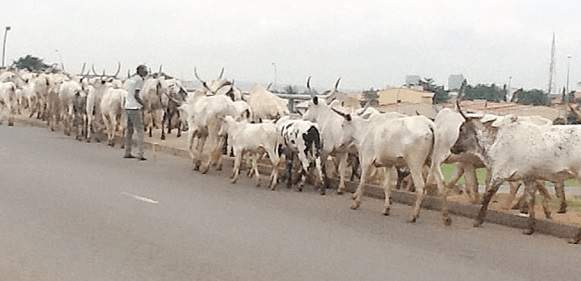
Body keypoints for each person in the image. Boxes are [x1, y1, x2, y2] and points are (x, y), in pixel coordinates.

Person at [123, 65, 148, 160]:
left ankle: (127, 151)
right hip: (135, 107)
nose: (146, 72)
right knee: (140, 130)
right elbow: (136, 95)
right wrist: (144, 104)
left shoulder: (131, 79)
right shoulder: (139, 80)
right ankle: (140, 153)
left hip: (127, 106)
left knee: (129, 130)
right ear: (140, 71)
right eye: (145, 70)